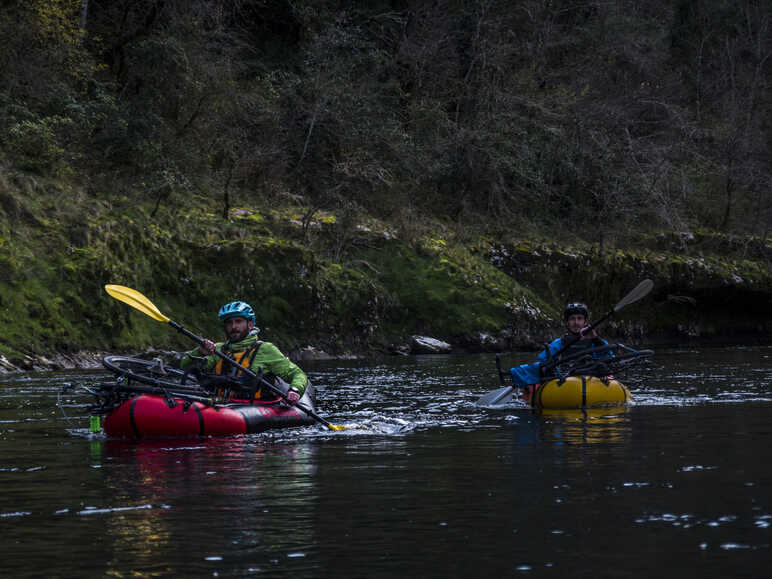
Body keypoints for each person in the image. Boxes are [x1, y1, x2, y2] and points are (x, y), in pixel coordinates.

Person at [179, 301, 308, 405]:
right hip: (220, 404)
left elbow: (297, 374)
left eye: (238, 321)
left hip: (253, 407)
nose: (234, 327)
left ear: (250, 324)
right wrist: (200, 351)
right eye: (229, 323)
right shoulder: (217, 349)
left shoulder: (265, 349)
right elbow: (185, 367)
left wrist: (295, 390)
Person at [511, 301, 612, 388]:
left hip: (593, 381)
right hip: (567, 383)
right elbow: (542, 362)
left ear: (585, 322)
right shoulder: (558, 344)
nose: (576, 322)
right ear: (567, 322)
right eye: (572, 319)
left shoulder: (597, 341)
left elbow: (608, 357)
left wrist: (595, 339)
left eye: (579, 318)